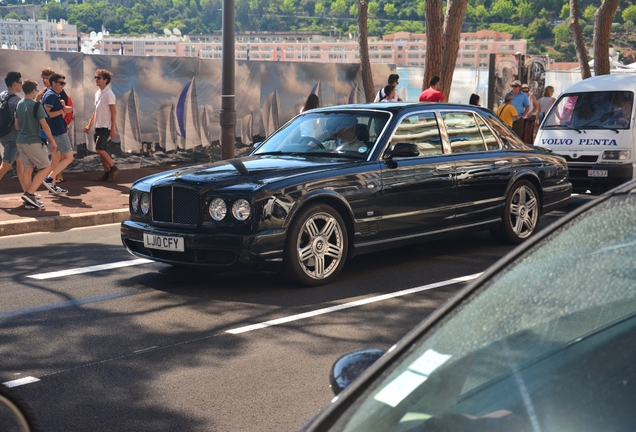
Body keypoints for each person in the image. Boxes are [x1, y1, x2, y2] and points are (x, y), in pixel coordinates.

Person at [15, 79, 57, 209]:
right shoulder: (36, 106)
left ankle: (30, 201)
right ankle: (30, 193)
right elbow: (44, 126)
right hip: (32, 141)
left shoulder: (19, 104)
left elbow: (17, 126)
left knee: (28, 169)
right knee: (45, 167)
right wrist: (52, 140)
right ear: (33, 91)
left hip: (20, 141)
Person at [84, 69, 119, 181]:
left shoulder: (109, 93)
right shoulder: (98, 94)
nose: (96, 80)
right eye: (95, 77)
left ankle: (114, 168)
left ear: (106, 80)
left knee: (99, 149)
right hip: (98, 126)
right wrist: (89, 125)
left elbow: (113, 111)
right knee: (101, 151)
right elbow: (96, 111)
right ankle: (107, 172)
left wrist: (112, 129)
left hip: (105, 126)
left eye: (98, 78)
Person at [41, 73, 73, 195]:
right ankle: (49, 179)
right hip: (58, 131)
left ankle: (51, 185)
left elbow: (55, 113)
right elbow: (47, 114)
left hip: (53, 131)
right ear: (53, 83)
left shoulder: (52, 95)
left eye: (64, 83)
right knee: (69, 157)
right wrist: (63, 110)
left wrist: (64, 110)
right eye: (61, 83)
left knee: (55, 159)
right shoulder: (51, 95)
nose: (63, 86)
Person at [0, 71, 28, 193]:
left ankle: (27, 192)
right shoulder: (17, 101)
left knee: (20, 164)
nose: (21, 85)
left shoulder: (1, 96)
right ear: (14, 84)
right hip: (14, 138)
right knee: (6, 165)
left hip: (3, 134)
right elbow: (21, 121)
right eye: (20, 83)